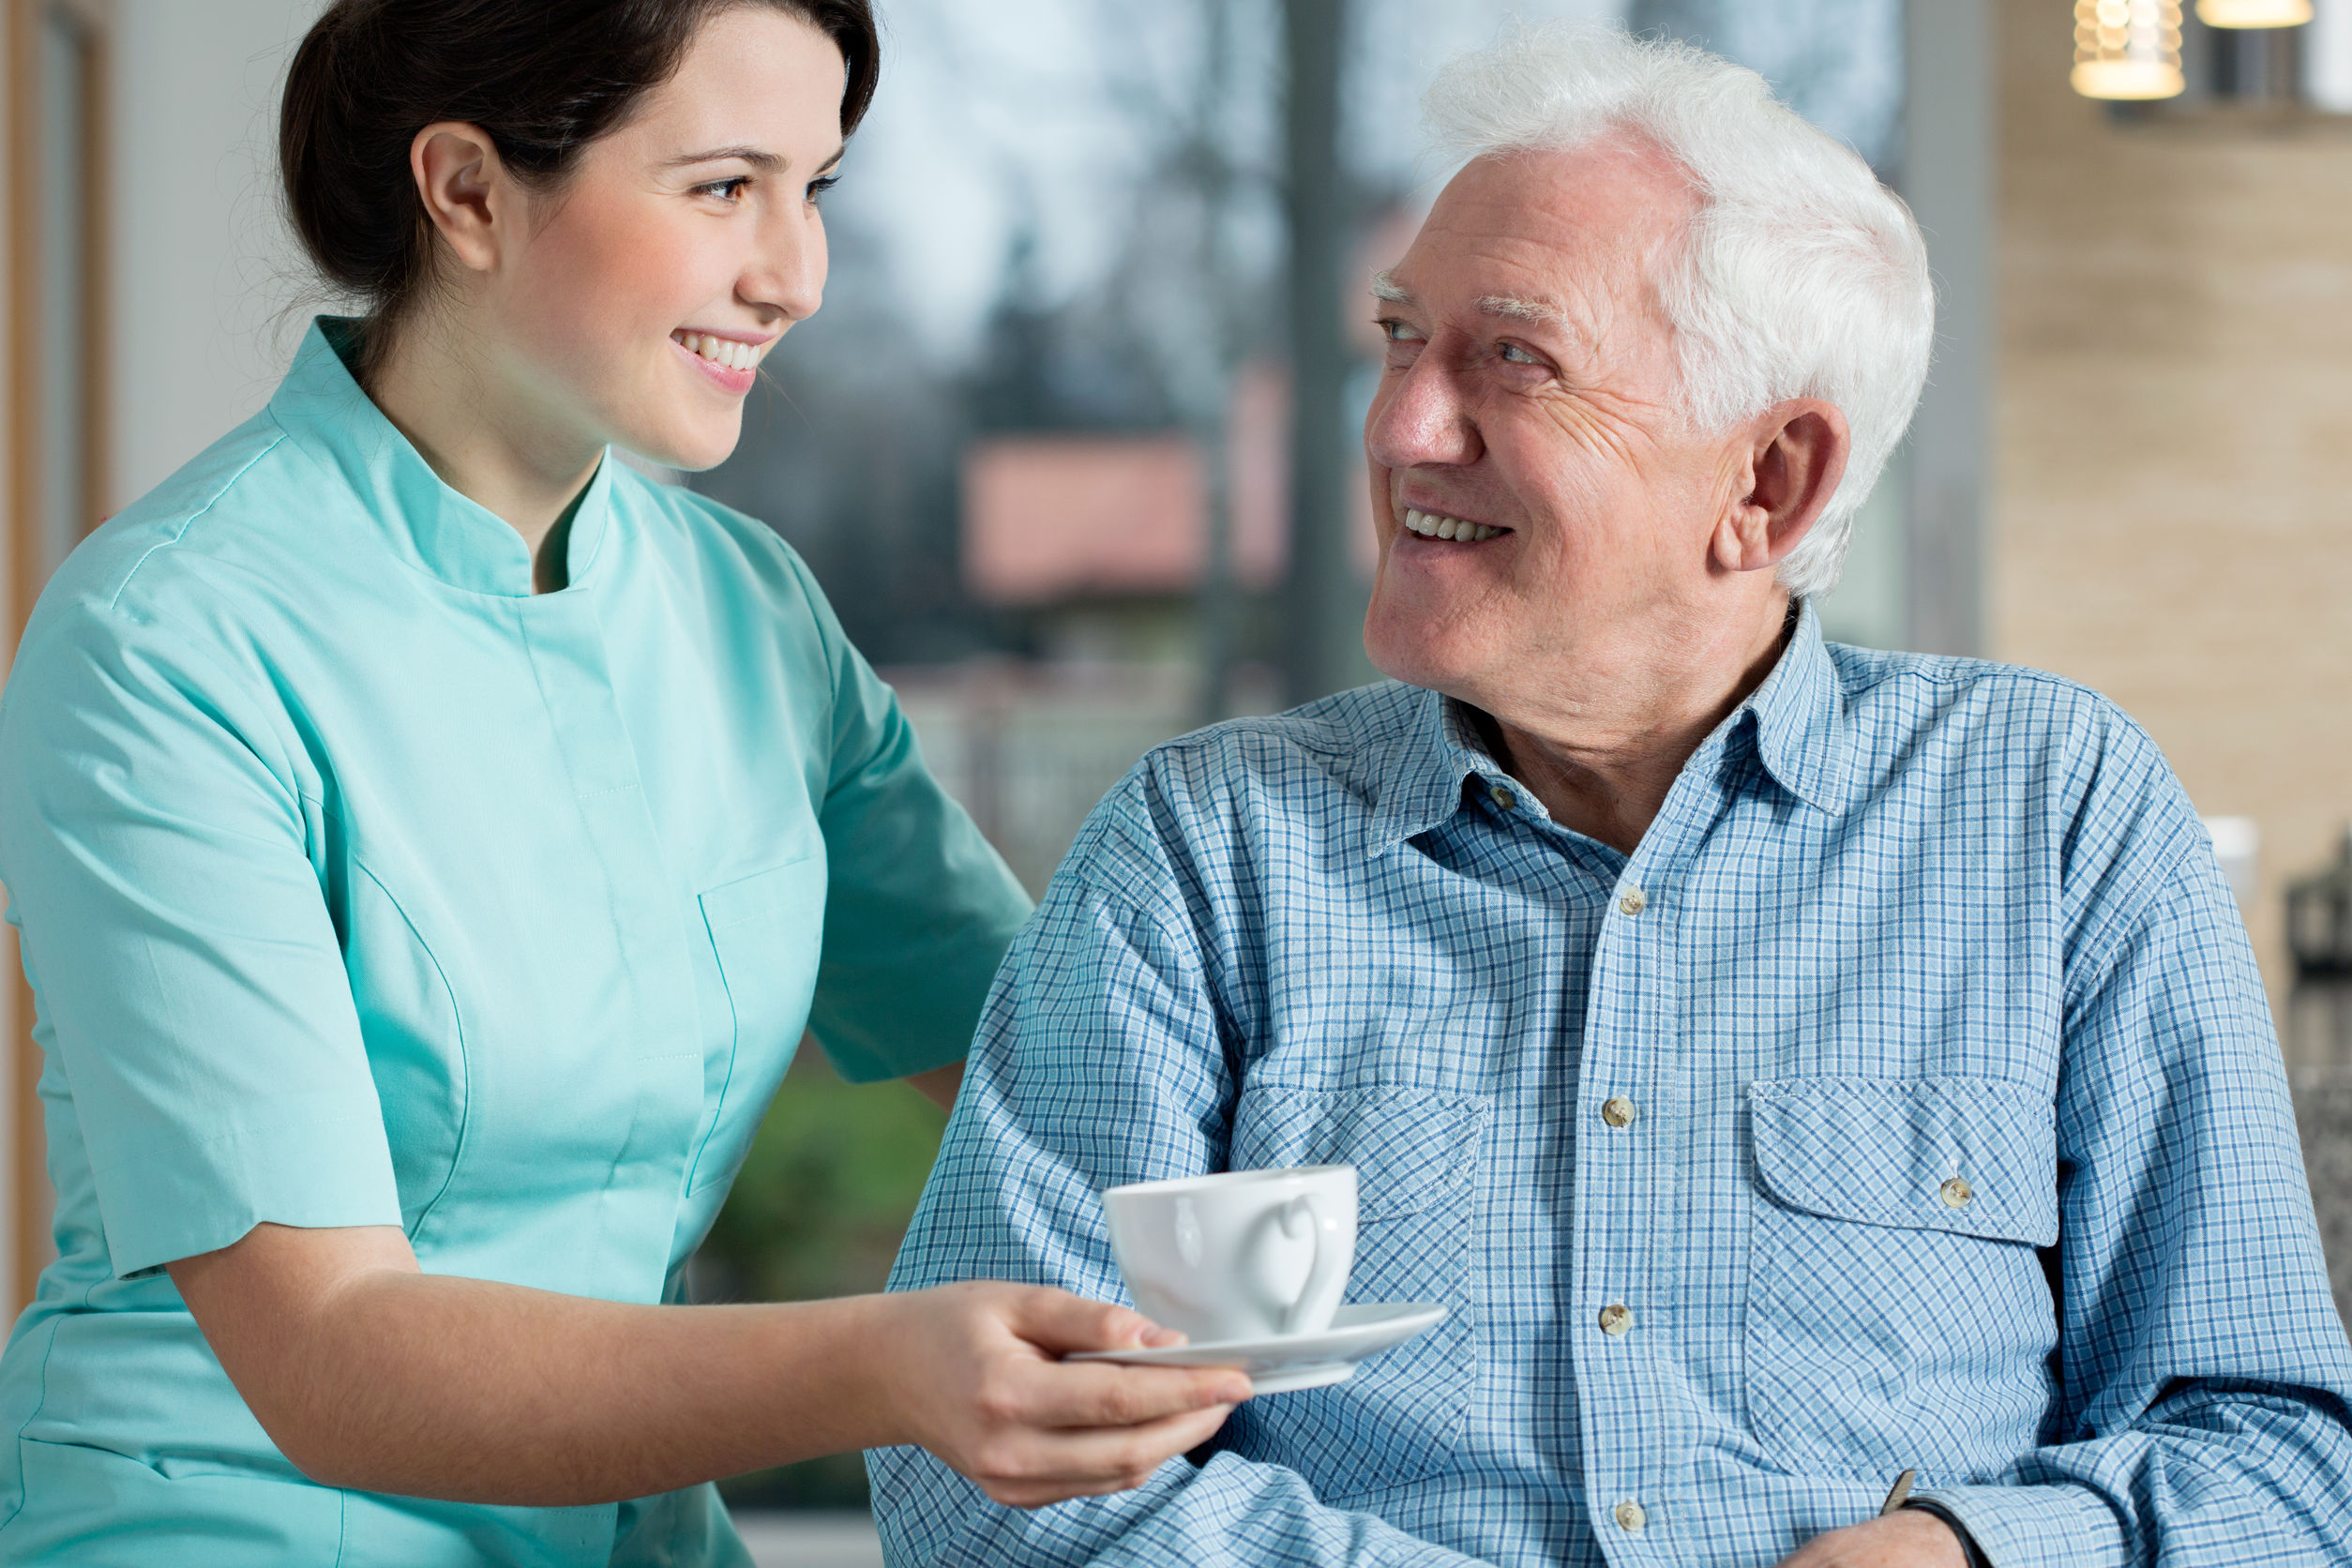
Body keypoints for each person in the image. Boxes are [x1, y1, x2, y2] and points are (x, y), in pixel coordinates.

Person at [873, 24, 2352, 1568]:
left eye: (1510, 357)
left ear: (1768, 483)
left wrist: (1976, 1555)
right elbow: (987, 1476)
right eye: (1398, 337)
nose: (1396, 429)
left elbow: (2273, 1460)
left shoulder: (2056, 813)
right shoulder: (1204, 852)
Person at [0, 3, 1248, 1563]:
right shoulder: (166, 642)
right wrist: (885, 1364)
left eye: (818, 191)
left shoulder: (753, 615)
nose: (795, 275)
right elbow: (327, 1352)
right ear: (465, 192)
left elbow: (1070, 1060)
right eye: (725, 187)